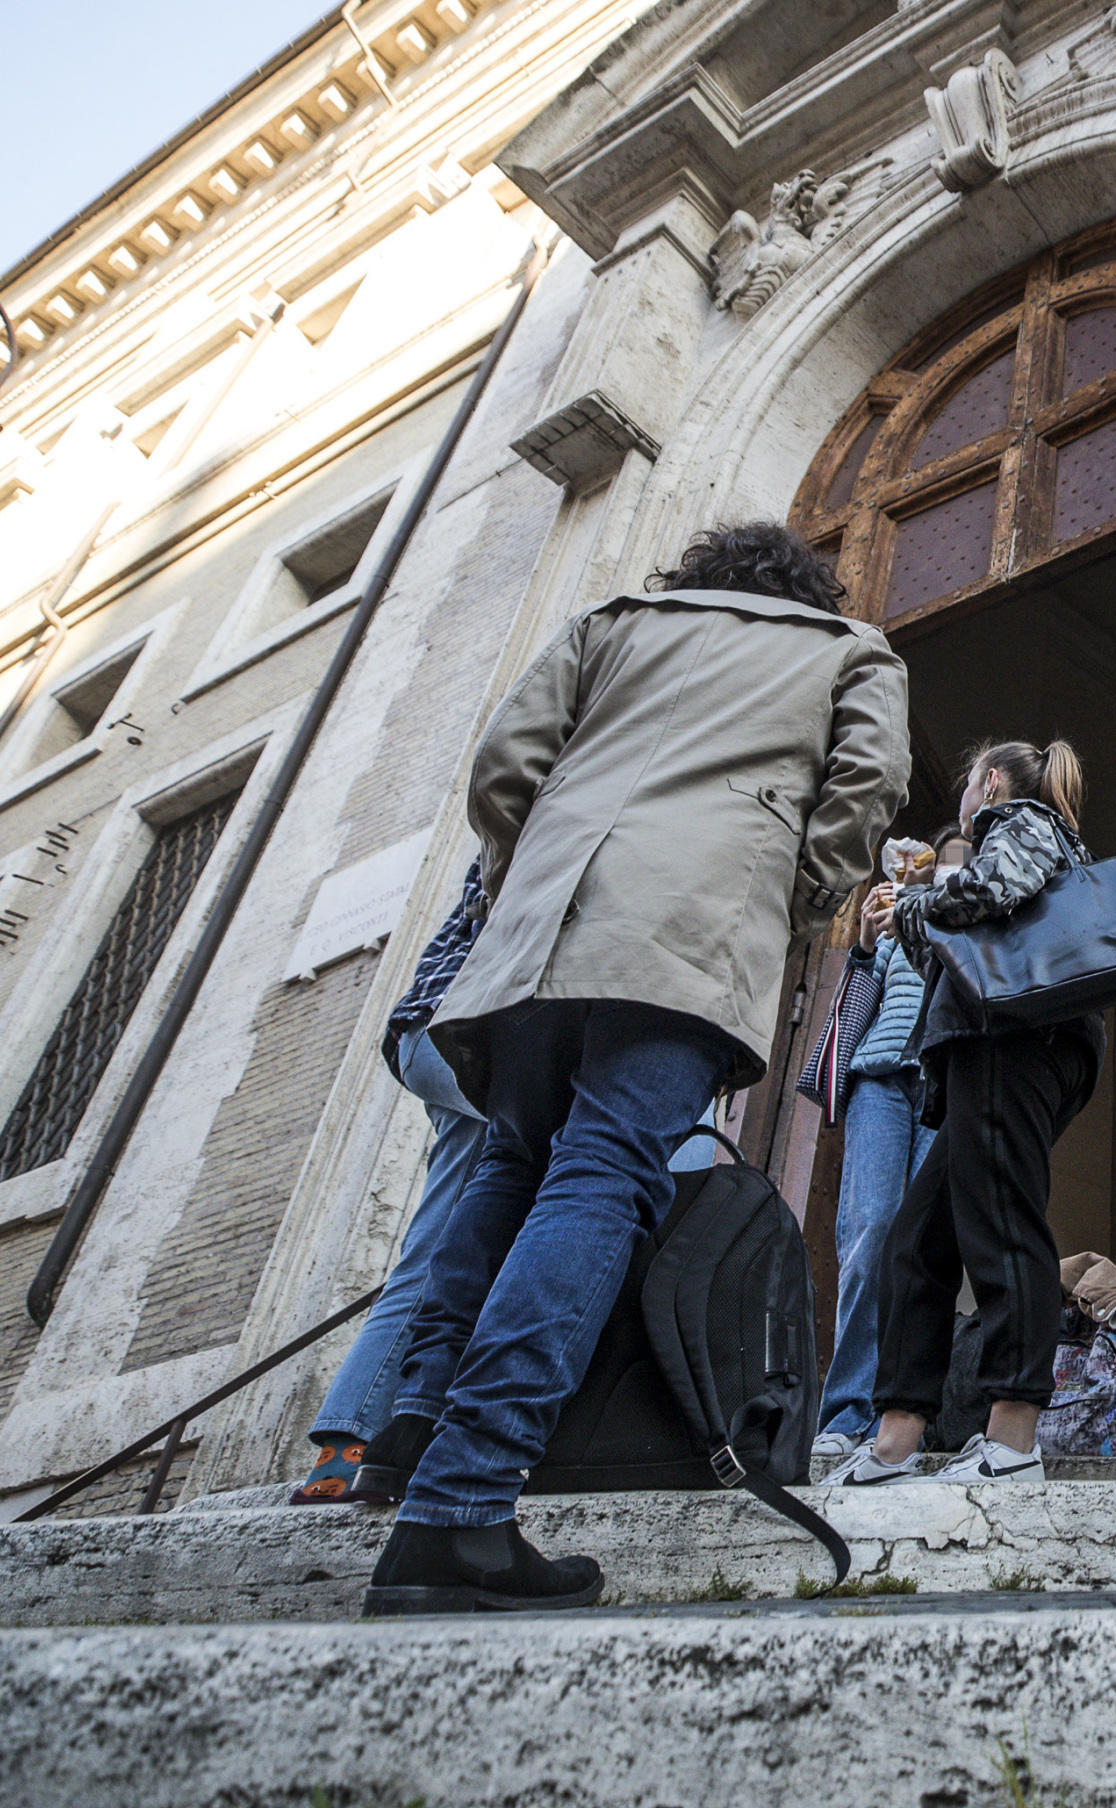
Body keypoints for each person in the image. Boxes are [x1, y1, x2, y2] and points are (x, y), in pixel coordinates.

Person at [358, 521, 908, 1615]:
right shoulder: (850, 650)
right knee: (602, 1174)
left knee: (509, 1168)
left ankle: (409, 1434)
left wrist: (528, 881)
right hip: (690, 930)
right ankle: (464, 1501)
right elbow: (867, 790)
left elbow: (504, 767)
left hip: (542, 935)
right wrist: (791, 903)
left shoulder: (609, 624)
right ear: (810, 588)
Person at [822, 739, 1100, 1489]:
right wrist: (913, 921)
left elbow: (992, 891)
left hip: (1014, 1041)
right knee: (918, 1243)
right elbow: (959, 955)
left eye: (969, 785)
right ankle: (894, 1440)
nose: (964, 802)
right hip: (990, 1042)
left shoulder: (1022, 821)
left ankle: (1011, 1441)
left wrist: (914, 903)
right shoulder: (1017, 835)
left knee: (1003, 1224)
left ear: (990, 780)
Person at [290, 862, 489, 1504]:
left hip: (432, 1037)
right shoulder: (547, 817)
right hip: (470, 1033)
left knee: (437, 1246)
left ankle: (344, 1455)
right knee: (597, 1170)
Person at [806, 830, 961, 1472]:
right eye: (941, 860)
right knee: (868, 1232)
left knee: (922, 1249)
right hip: (881, 1076)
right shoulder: (897, 914)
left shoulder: (972, 909)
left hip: (944, 1081)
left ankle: (898, 1422)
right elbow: (861, 993)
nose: (945, 869)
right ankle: (846, 1413)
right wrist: (869, 941)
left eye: (958, 863)